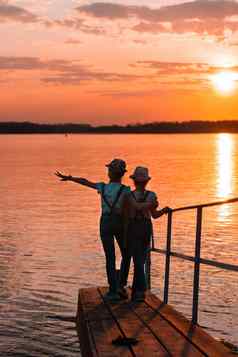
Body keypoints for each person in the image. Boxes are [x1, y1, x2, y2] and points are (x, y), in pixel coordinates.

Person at [55, 159, 156, 302]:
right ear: (122, 174)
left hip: (105, 223)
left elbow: (85, 181)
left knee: (110, 257)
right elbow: (129, 210)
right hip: (120, 223)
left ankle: (113, 291)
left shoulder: (102, 187)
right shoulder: (126, 190)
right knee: (126, 254)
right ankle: (121, 285)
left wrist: (70, 178)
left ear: (110, 173)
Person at [123, 166, 171, 302]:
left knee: (137, 259)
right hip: (145, 226)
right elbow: (154, 215)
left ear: (134, 181)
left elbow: (131, 213)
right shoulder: (151, 196)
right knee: (141, 259)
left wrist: (161, 210)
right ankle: (140, 291)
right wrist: (157, 208)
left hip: (133, 227)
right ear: (146, 181)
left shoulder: (128, 196)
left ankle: (138, 291)